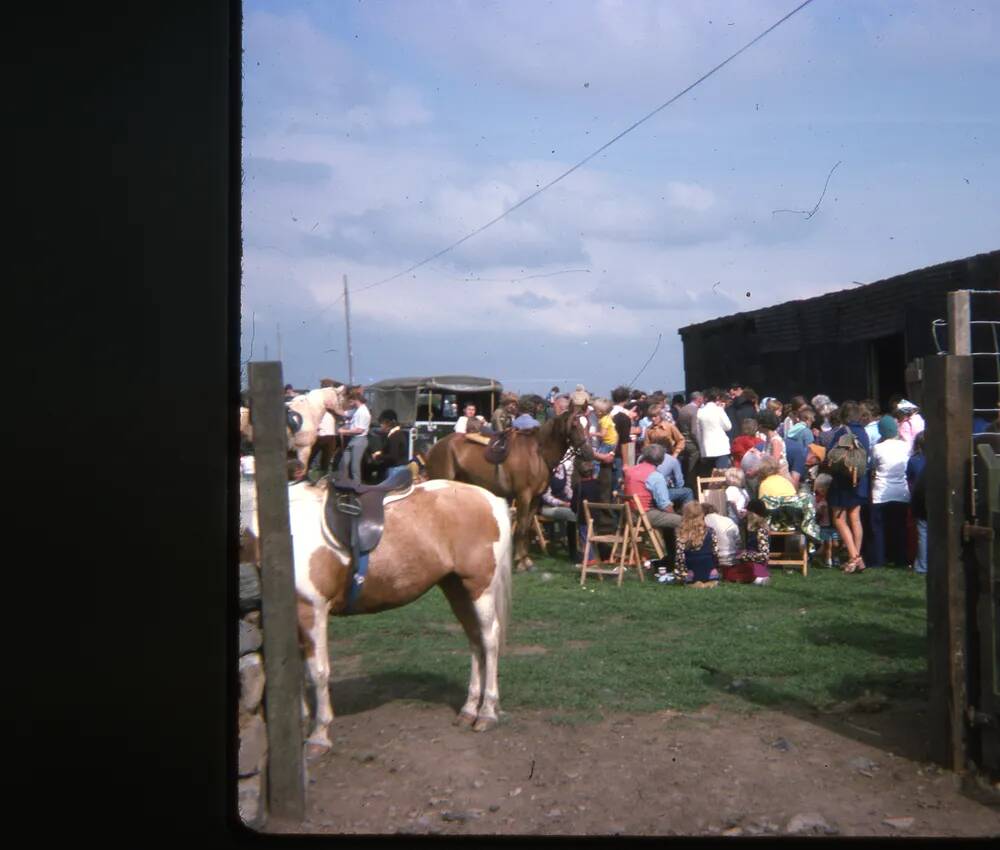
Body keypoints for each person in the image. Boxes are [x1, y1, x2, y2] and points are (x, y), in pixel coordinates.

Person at [826, 400, 871, 574]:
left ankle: (853, 557)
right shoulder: (864, 433)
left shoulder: (842, 432)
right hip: (860, 479)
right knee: (855, 517)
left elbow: (831, 455)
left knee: (839, 519)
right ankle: (856, 557)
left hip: (842, 481)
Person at [623, 443, 682, 570]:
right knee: (682, 521)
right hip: (644, 515)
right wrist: (674, 514)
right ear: (660, 460)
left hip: (629, 513)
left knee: (668, 522)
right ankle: (680, 558)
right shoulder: (655, 476)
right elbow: (665, 505)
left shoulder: (631, 471)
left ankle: (671, 557)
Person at [870, 414, 911, 568]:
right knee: (899, 528)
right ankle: (900, 559)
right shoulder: (905, 446)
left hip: (881, 493)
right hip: (901, 492)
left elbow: (873, 466)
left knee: (878, 529)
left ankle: (879, 560)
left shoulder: (877, 448)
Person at [540, 453, 579, 563]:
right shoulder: (546, 472)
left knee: (578, 510)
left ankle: (581, 547)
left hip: (563, 504)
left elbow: (567, 489)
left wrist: (574, 499)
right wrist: (563, 503)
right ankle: (573, 553)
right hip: (547, 507)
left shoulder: (562, 469)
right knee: (571, 514)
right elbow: (546, 497)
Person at [675, 501, 721, 588]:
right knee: (711, 572)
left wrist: (680, 575)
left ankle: (694, 583)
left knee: (687, 576)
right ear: (702, 514)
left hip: (691, 570)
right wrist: (717, 568)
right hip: (709, 569)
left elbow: (680, 558)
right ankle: (710, 582)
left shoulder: (682, 534)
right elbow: (716, 553)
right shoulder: (710, 531)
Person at [729, 499, 772, 585]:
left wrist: (745, 555)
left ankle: (759, 577)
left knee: (744, 570)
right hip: (748, 561)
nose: (746, 513)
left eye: (747, 511)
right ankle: (757, 577)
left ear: (752, 513)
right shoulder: (748, 527)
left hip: (756, 563)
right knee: (729, 572)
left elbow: (764, 555)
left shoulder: (761, 530)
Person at [694, 388, 733, 476]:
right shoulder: (719, 410)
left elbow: (698, 433)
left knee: (708, 476)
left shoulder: (699, 412)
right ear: (717, 397)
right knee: (722, 476)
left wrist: (701, 449)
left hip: (706, 449)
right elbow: (728, 427)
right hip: (721, 448)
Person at [337, 386, 371, 481]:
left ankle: (357, 487)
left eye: (350, 401)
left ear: (355, 399)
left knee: (354, 467)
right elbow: (343, 413)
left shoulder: (363, 412)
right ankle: (343, 483)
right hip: (353, 440)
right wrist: (331, 407)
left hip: (359, 440)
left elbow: (359, 430)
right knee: (343, 463)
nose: (349, 403)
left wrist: (344, 431)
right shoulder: (356, 410)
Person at [906, 431, 927, 575]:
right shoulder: (939, 459)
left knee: (923, 533)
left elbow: (910, 481)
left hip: (919, 499)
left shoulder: (914, 460)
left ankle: (922, 566)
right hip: (937, 499)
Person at [702, 503, 740, 578]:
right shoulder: (729, 520)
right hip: (732, 558)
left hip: (714, 560)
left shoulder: (703, 522)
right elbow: (738, 541)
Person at [370, 409, 409, 481]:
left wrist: (378, 456)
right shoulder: (397, 434)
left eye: (382, 423)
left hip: (395, 469)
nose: (381, 426)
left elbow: (393, 456)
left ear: (389, 423)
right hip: (398, 468)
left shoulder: (395, 436)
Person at [812, 473, 840, 568]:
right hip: (824, 525)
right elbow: (816, 513)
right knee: (827, 543)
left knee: (836, 543)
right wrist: (820, 510)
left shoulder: (833, 500)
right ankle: (828, 560)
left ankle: (835, 557)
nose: (821, 492)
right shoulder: (818, 500)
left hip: (834, 525)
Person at [655, 444, 694, 508]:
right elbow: (680, 482)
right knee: (688, 492)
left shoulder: (641, 458)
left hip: (644, 493)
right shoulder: (672, 460)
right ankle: (689, 516)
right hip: (660, 493)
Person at [676, 391, 704, 480]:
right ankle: (693, 486)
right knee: (693, 468)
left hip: (683, 441)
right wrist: (700, 445)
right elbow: (694, 431)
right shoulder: (695, 411)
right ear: (699, 399)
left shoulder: (683, 409)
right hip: (692, 443)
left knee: (685, 464)